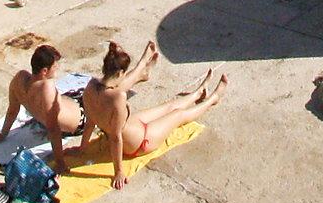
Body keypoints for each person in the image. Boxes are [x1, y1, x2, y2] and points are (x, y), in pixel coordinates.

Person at [80, 39, 227, 190]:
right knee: (177, 115)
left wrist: (82, 147)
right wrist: (119, 172)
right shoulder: (118, 97)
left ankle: (197, 94)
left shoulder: (91, 86)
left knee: (168, 106)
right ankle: (213, 99)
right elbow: (116, 138)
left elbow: (90, 121)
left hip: (132, 125)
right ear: (120, 73)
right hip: (138, 142)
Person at [0, 43, 83, 162]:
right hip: (80, 120)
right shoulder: (47, 88)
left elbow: (12, 110)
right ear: (45, 71)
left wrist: (3, 134)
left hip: (60, 112)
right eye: (55, 66)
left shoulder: (19, 79)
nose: (57, 68)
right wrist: (60, 162)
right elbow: (53, 129)